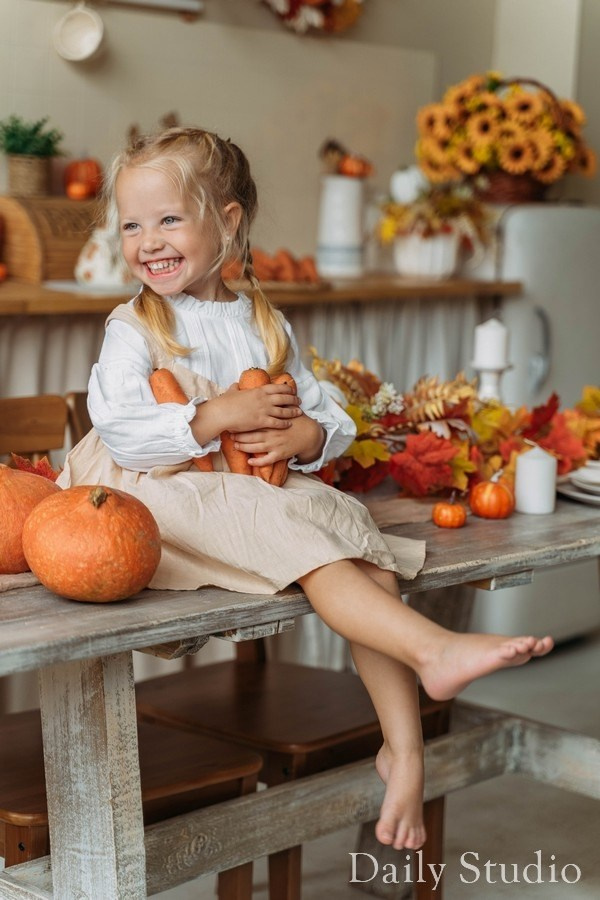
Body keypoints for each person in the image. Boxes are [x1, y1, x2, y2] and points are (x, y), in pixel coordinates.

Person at [58, 126, 554, 851]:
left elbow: (322, 410)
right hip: (153, 496)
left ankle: (403, 750)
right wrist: (214, 415)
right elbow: (126, 431)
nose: (146, 240)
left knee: (357, 539)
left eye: (169, 219)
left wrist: (309, 439)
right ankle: (435, 651)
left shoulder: (263, 322)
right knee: (297, 531)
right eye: (131, 224)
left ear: (227, 223)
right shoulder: (135, 327)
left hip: (247, 490)